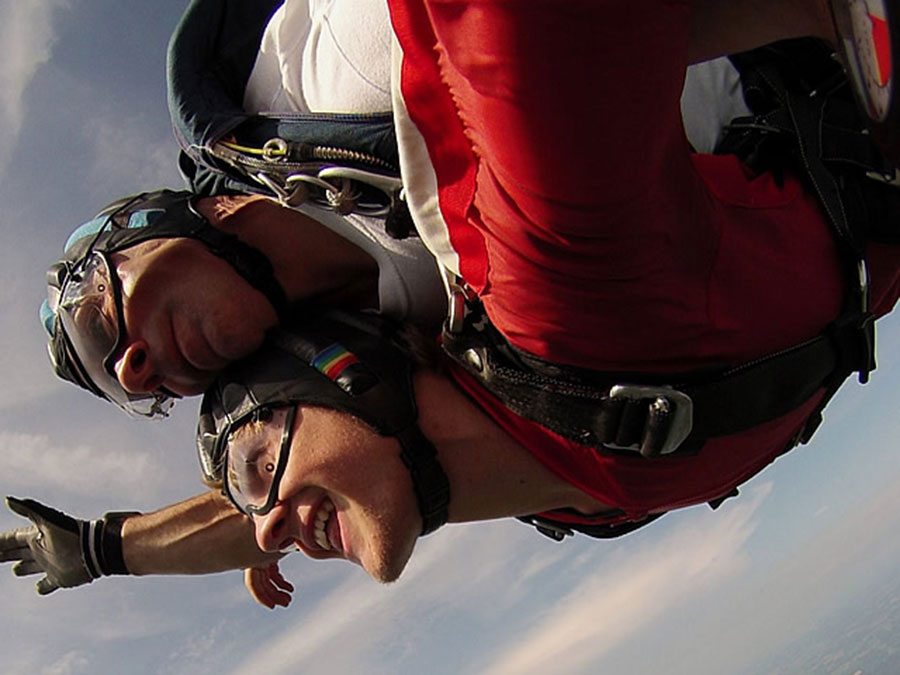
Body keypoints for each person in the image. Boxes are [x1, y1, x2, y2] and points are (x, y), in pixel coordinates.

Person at [5, 0, 899, 605]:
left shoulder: (321, 74)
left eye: (96, 317)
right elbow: (330, 471)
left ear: (145, 219)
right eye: (137, 389)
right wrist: (107, 545)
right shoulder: (417, 337)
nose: (133, 364)